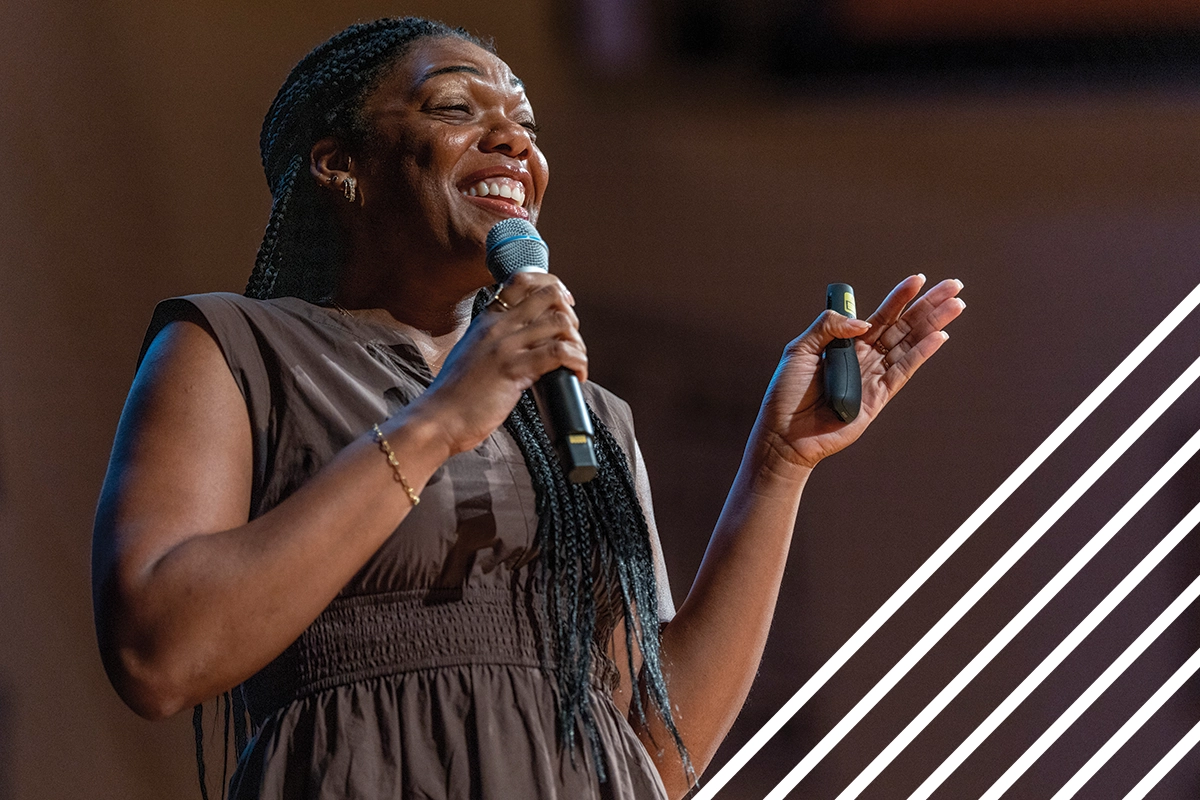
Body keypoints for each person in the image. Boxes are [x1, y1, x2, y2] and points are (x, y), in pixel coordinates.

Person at [91, 16, 965, 800]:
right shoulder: (231, 349)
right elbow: (159, 654)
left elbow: (656, 758)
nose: (512, 141)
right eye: (453, 110)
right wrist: (440, 419)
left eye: (526, 127)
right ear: (339, 165)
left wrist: (778, 468)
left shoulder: (583, 414)